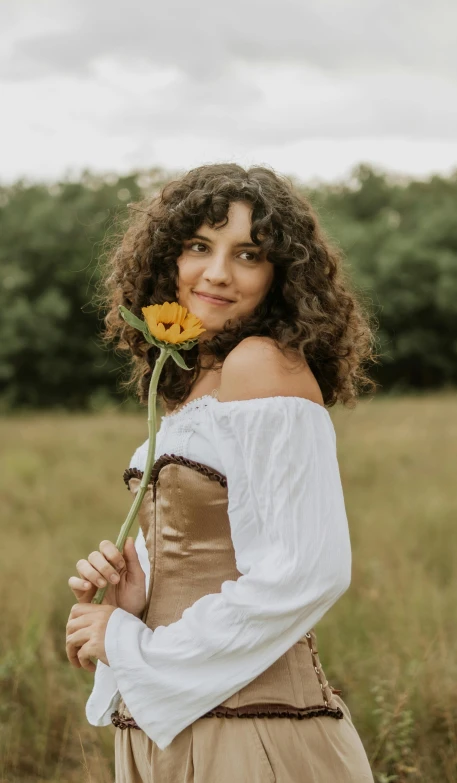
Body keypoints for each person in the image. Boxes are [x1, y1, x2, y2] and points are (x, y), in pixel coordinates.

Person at [65, 163, 376, 782]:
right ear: (167, 260)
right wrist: (136, 602)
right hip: (172, 725)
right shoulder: (190, 387)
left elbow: (307, 570)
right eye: (200, 247)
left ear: (279, 276)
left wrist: (135, 646)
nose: (217, 273)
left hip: (250, 730)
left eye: (248, 255)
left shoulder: (261, 365)